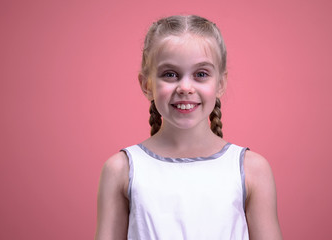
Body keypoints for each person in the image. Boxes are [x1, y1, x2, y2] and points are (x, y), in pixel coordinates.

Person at [95, 15, 282, 240]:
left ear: (220, 83)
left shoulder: (252, 169)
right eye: (170, 74)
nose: (185, 87)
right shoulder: (120, 170)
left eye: (201, 74)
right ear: (147, 85)